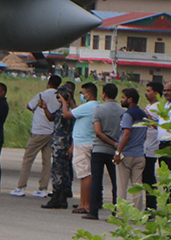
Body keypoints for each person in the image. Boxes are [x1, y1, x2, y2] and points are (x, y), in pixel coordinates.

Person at [11, 74, 61, 197]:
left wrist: (37, 112)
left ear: (48, 83)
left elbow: (29, 105)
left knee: (28, 159)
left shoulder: (42, 95)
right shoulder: (59, 97)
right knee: (47, 161)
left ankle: (21, 186)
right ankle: (43, 188)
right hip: (51, 131)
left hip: (39, 131)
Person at [84, 83, 124, 220]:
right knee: (116, 182)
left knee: (96, 180)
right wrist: (116, 144)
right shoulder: (122, 111)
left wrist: (110, 142)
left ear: (104, 94)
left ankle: (94, 211)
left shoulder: (99, 110)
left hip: (99, 149)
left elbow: (98, 132)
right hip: (115, 151)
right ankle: (115, 210)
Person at [62, 82, 100, 213]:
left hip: (83, 144)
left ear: (89, 94)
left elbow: (67, 114)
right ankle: (83, 203)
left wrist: (63, 102)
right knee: (86, 174)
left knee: (85, 175)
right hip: (86, 142)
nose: (82, 96)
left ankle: (85, 204)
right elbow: (77, 111)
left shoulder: (88, 106)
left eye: (83, 93)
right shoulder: (96, 106)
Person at [40, 85, 76, 210]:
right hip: (58, 143)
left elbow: (67, 118)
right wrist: (45, 108)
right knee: (61, 170)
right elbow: (52, 118)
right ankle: (61, 197)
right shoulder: (62, 108)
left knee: (58, 171)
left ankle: (58, 196)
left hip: (63, 144)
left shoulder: (71, 109)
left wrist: (67, 101)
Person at [113, 87, 148, 210]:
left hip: (126, 154)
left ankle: (121, 213)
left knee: (122, 186)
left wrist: (118, 152)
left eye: (123, 97)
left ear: (130, 99)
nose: (121, 100)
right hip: (139, 154)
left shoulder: (128, 115)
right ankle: (137, 213)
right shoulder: (144, 115)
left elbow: (126, 133)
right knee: (137, 186)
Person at [142, 81, 163, 209]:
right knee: (146, 178)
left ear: (156, 93)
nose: (146, 93)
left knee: (149, 178)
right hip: (145, 145)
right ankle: (149, 205)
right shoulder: (149, 106)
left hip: (151, 147)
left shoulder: (159, 107)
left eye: (149, 91)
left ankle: (151, 206)